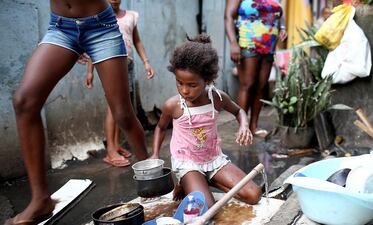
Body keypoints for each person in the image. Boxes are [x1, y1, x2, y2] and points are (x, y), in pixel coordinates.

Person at [7, 1, 149, 224]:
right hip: (61, 27)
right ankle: (40, 200)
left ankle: (153, 181)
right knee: (24, 102)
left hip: (100, 25)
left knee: (122, 113)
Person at [150, 34, 262, 207]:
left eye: (192, 85)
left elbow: (238, 110)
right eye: (179, 83)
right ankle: (187, 179)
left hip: (213, 159)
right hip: (187, 163)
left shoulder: (217, 98)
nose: (185, 90)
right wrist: (155, 154)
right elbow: (161, 128)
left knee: (254, 195)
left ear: (207, 80)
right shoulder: (173, 105)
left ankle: (200, 181)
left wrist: (244, 126)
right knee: (206, 207)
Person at [85, 0, 154, 167]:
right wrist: (90, 71)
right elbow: (95, 44)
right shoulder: (100, 17)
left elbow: (137, 41)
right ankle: (110, 151)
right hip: (111, 64)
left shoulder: (131, 16)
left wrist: (146, 62)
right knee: (113, 107)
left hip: (128, 64)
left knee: (122, 106)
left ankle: (116, 145)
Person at [225, 0, 287, 138]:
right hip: (248, 42)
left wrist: (282, 27)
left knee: (261, 86)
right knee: (248, 85)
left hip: (269, 45)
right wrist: (233, 43)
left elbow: (278, 13)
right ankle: (242, 127)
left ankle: (253, 126)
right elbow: (228, 16)